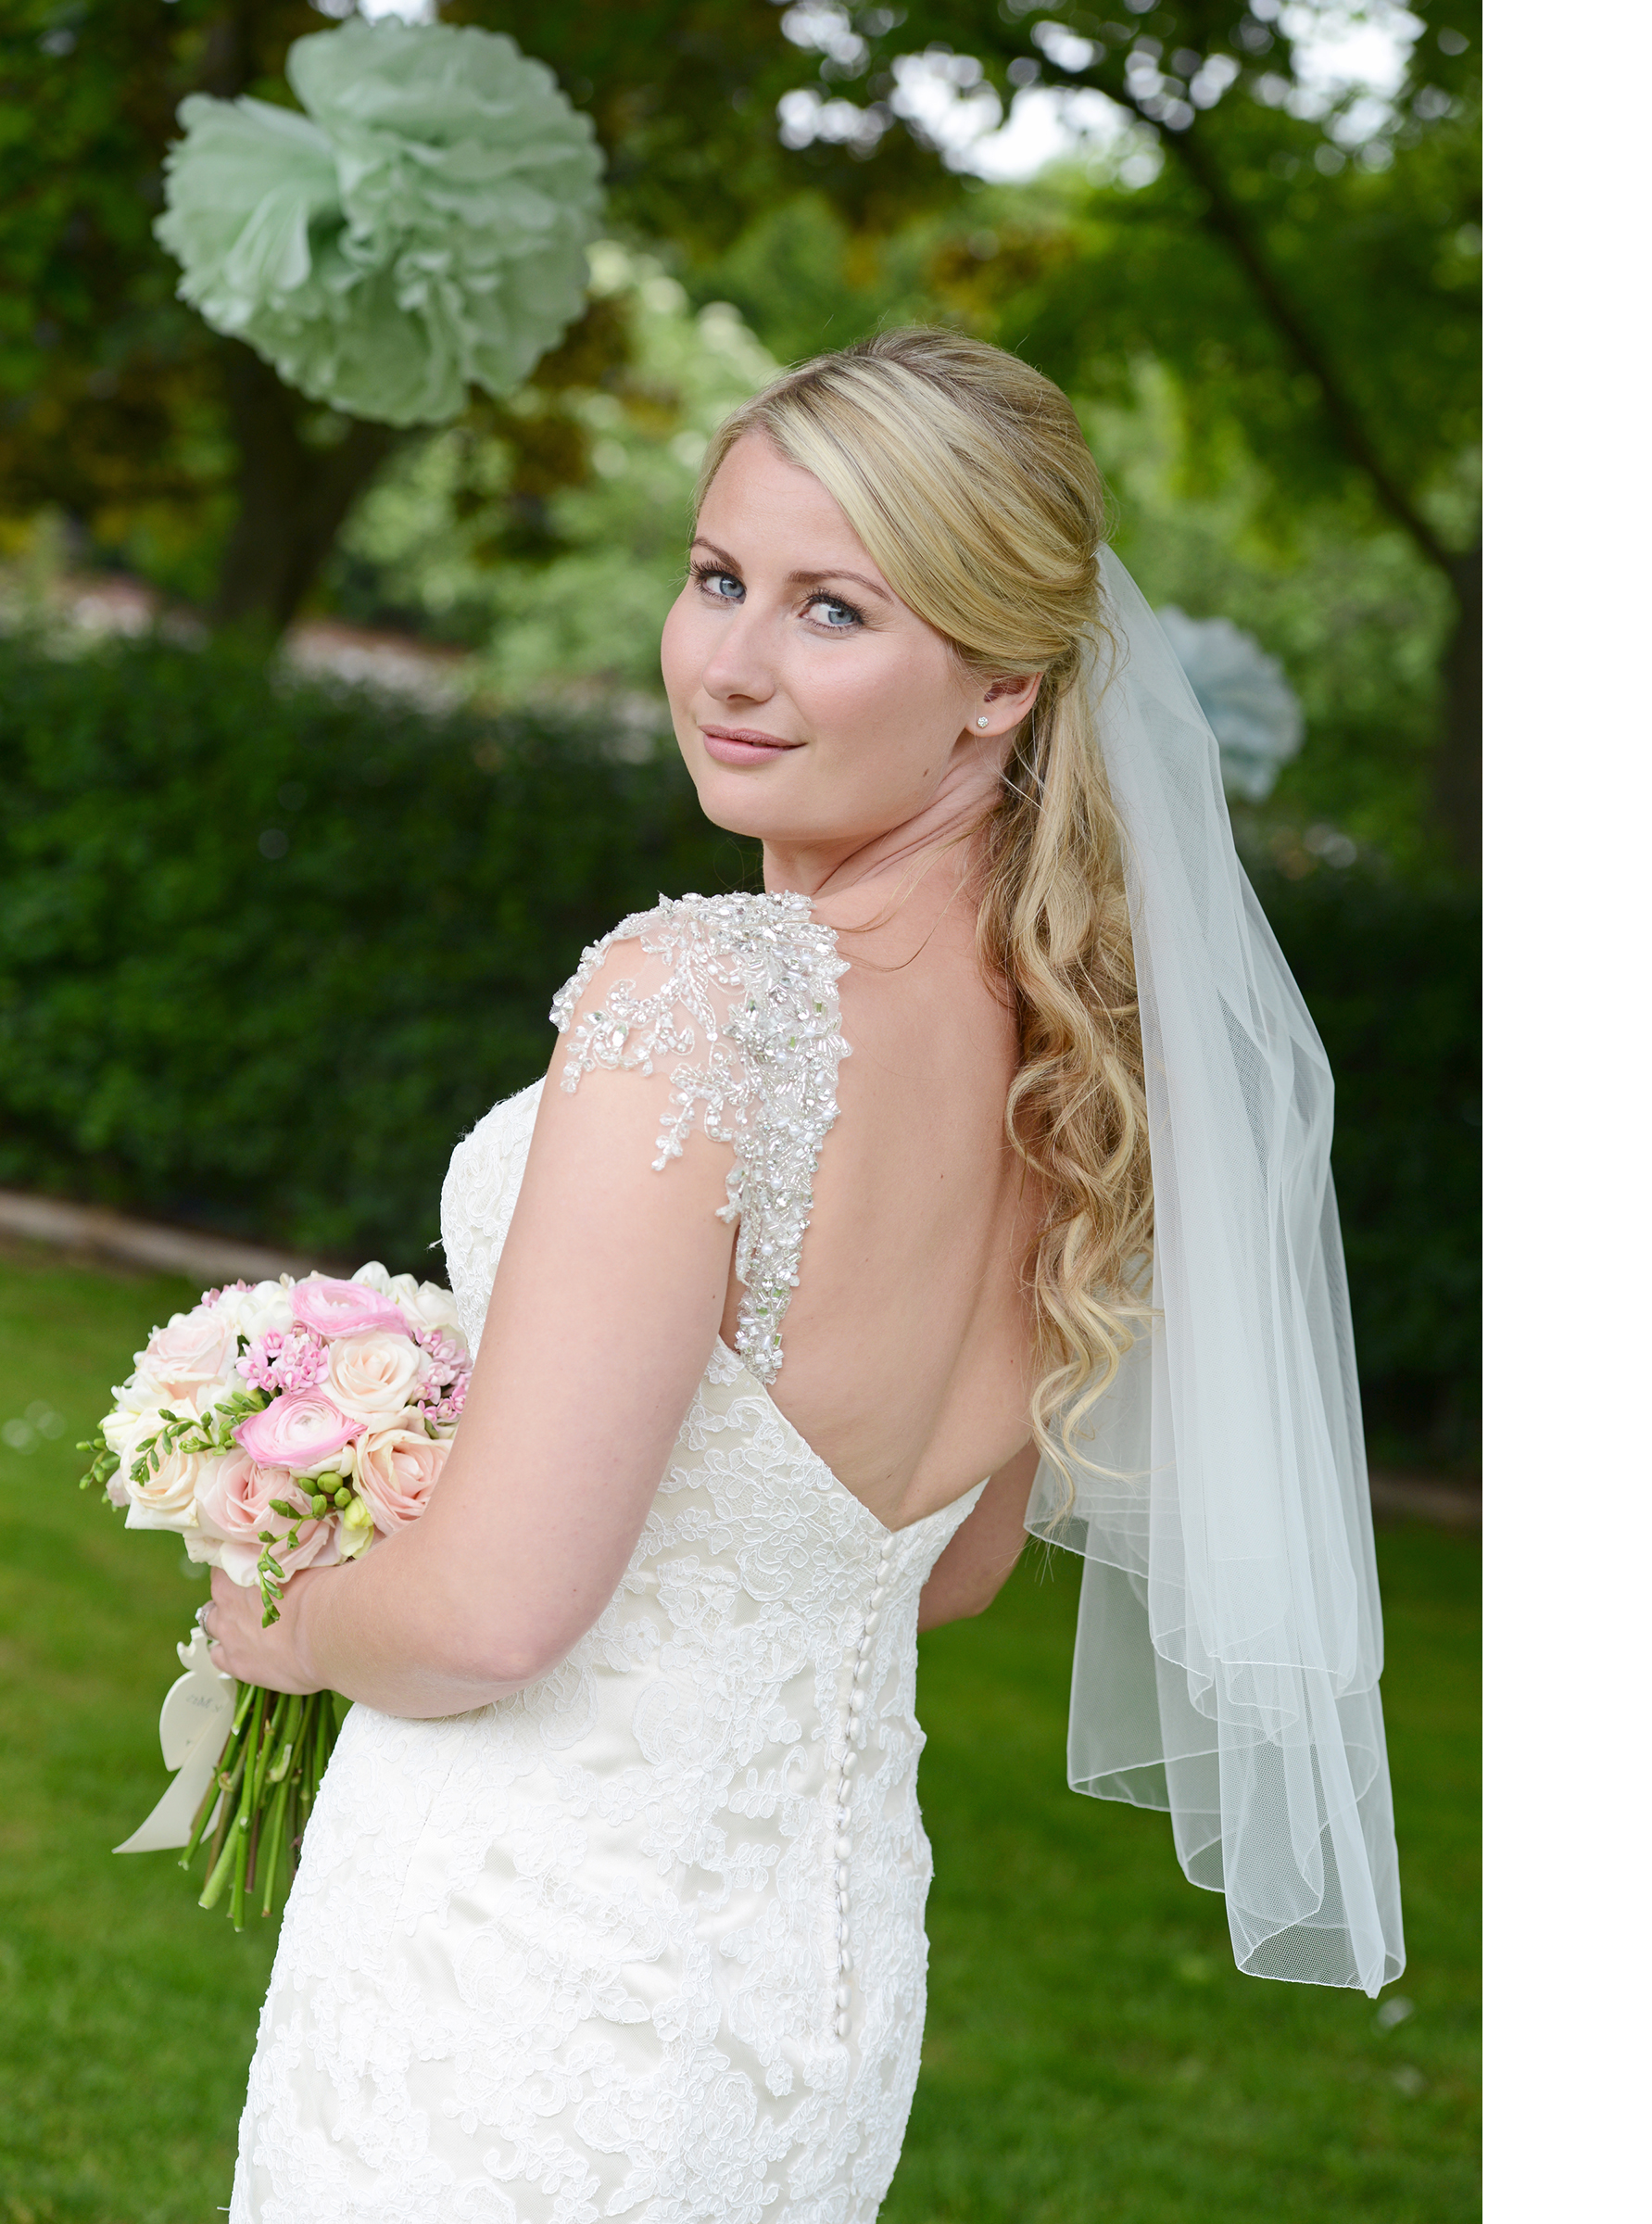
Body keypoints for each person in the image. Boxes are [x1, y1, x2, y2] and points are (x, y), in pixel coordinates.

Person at [201, 327, 1398, 2218]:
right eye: (716, 578)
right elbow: (950, 1567)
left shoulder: (698, 1000)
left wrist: (273, 1607)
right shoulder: (1088, 1070)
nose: (731, 665)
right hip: (808, 1987)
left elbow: (495, 1617)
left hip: (524, 1962)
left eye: (832, 609)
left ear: (1003, 678)